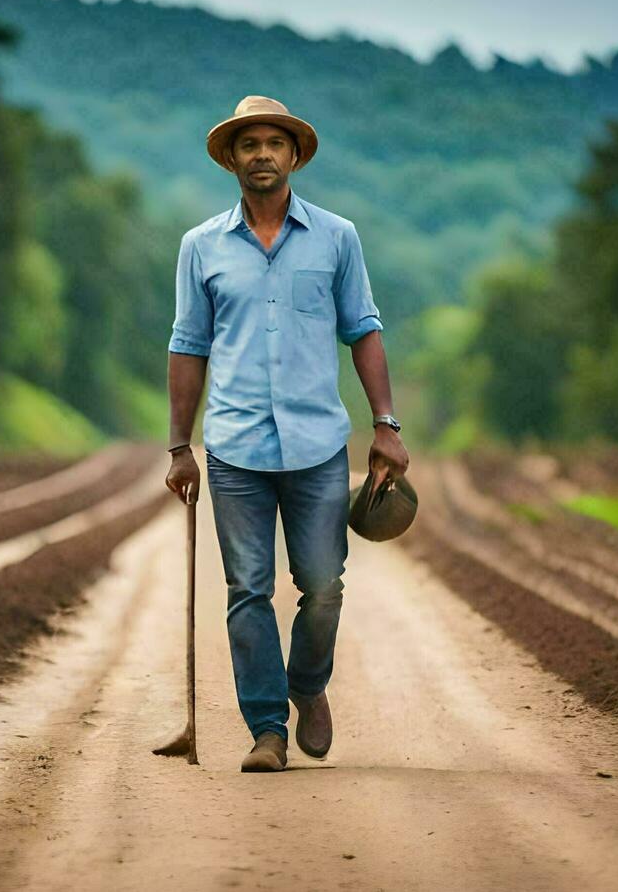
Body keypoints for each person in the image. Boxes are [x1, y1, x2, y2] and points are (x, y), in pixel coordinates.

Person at [163, 95, 410, 772]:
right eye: (249, 145)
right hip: (236, 447)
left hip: (317, 446)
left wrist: (385, 424)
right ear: (232, 160)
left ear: (294, 156)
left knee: (324, 584)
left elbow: (363, 329)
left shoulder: (337, 238)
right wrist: (180, 446)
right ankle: (267, 729)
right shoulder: (201, 247)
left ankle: (308, 685)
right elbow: (188, 347)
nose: (263, 154)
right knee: (247, 589)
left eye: (275, 143)